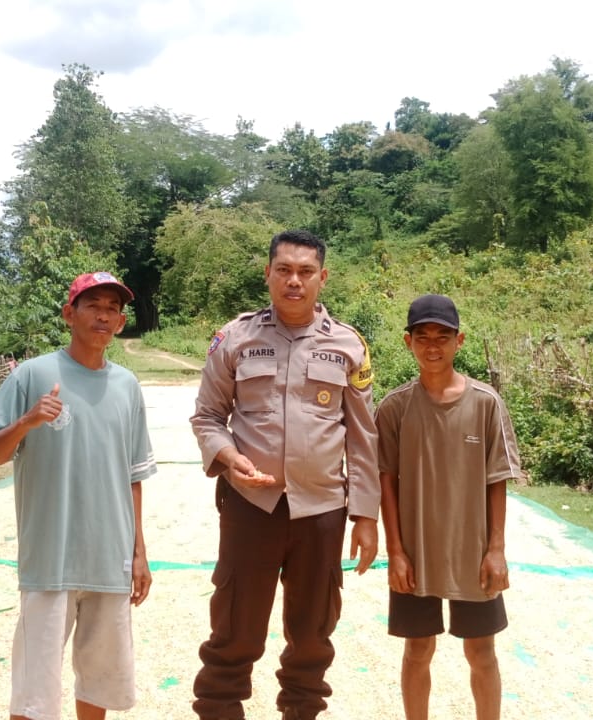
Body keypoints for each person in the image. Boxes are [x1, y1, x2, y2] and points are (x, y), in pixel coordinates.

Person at [190, 228, 379, 720]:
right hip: (251, 507)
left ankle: (302, 712)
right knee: (235, 627)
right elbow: (207, 417)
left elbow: (363, 437)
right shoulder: (235, 338)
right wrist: (228, 458)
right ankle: (219, 710)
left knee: (312, 633)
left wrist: (365, 516)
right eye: (284, 270)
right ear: (268, 274)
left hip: (322, 509)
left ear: (323, 277)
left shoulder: (348, 344)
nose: (294, 281)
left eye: (305, 272)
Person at [0, 270, 156, 720]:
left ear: (121, 321)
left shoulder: (127, 385)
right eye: (93, 306)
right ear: (69, 314)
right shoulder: (33, 375)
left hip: (110, 559)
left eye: (113, 308)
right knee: (34, 689)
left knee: (100, 679)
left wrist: (139, 554)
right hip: (50, 559)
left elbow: (133, 475)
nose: (104, 316)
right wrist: (27, 422)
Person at [375, 294, 522, 720]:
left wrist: (496, 549)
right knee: (417, 649)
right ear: (408, 342)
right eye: (423, 337)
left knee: (481, 651)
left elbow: (497, 478)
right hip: (415, 552)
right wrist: (395, 552)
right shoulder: (395, 407)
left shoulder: (485, 403)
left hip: (472, 551)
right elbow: (386, 483)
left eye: (443, 336)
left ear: (460, 341)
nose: (433, 346)